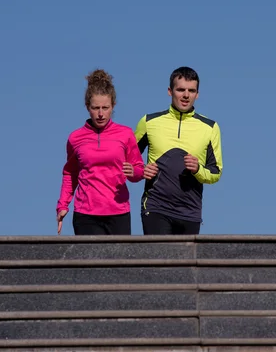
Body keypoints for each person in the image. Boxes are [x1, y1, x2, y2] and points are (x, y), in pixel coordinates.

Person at [134, 66, 223, 235]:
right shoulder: (149, 122)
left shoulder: (210, 127)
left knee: (185, 263)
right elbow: (127, 159)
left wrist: (198, 169)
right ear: (170, 91)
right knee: (158, 260)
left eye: (191, 90)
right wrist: (141, 170)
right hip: (156, 206)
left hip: (190, 211)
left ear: (197, 94)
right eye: (180, 89)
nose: (186, 95)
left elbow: (216, 172)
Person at [56, 69, 144, 235]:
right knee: (91, 261)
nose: (101, 114)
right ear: (87, 107)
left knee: (120, 261)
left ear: (113, 106)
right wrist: (62, 205)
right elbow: (70, 173)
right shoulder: (76, 138)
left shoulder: (125, 134)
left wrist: (134, 172)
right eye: (96, 108)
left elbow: (139, 169)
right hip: (86, 214)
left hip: (118, 212)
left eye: (106, 107)